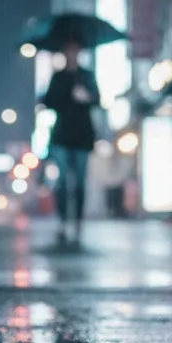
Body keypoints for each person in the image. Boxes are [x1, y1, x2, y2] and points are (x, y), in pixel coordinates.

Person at [42, 39, 101, 243]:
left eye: (74, 50)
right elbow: (47, 101)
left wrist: (87, 97)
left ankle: (77, 221)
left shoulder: (86, 76)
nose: (71, 54)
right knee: (63, 182)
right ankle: (63, 220)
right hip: (62, 135)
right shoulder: (58, 77)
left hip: (82, 136)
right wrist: (68, 95)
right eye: (68, 50)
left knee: (80, 183)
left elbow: (97, 99)